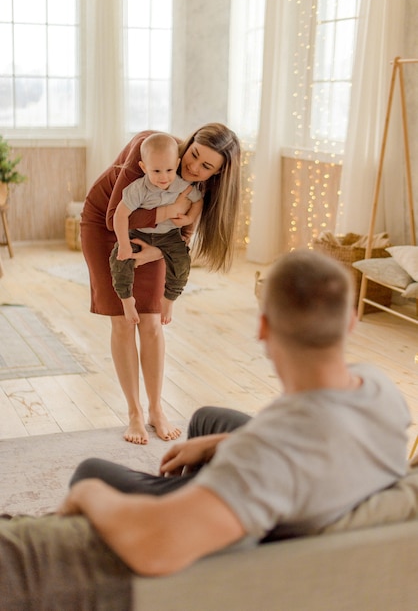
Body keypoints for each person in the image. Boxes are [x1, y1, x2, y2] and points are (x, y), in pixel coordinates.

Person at [0, 250, 411, 609]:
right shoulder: (379, 387)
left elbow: (155, 547)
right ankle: (202, 468)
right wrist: (225, 442)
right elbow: (314, 433)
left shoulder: (268, 456)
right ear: (351, 323)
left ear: (263, 328)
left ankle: (181, 490)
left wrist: (88, 495)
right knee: (207, 419)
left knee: (92, 471)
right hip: (317, 478)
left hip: (257, 518)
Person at [80, 124, 241, 445]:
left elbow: (183, 234)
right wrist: (168, 210)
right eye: (193, 154)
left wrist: (155, 251)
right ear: (189, 142)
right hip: (105, 225)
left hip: (157, 236)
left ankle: (156, 409)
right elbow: (116, 216)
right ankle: (134, 413)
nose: (193, 167)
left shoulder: (202, 185)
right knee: (125, 321)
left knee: (152, 321)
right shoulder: (148, 149)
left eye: (206, 167)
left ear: (219, 174)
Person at [110, 132, 202, 325]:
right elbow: (119, 215)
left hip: (168, 235)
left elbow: (198, 200)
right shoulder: (138, 189)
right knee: (119, 258)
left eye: (169, 170)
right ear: (144, 168)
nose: (164, 177)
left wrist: (190, 217)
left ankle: (169, 299)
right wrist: (125, 244)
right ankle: (126, 299)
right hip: (139, 234)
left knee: (182, 262)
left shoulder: (181, 186)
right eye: (157, 171)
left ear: (176, 165)